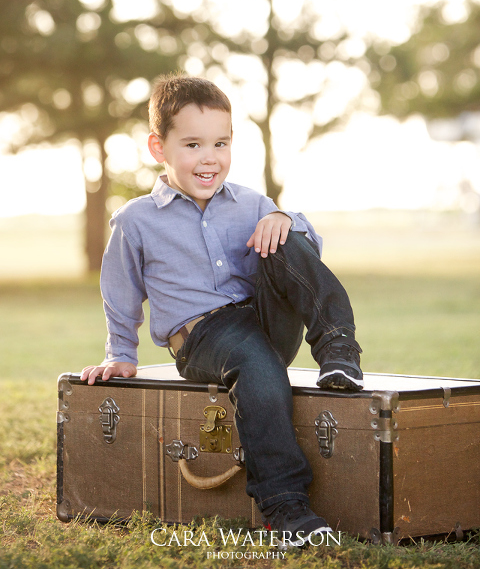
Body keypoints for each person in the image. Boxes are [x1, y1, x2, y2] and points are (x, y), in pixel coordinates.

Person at [81, 74, 363, 546]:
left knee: (286, 233)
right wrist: (119, 352)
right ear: (159, 147)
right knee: (254, 361)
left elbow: (304, 256)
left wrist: (282, 218)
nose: (209, 158)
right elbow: (120, 291)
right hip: (205, 338)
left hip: (266, 321)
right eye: (192, 144)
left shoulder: (250, 202)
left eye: (221, 143)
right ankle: (284, 505)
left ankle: (338, 349)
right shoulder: (137, 220)